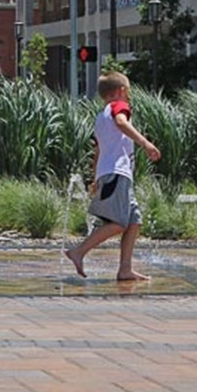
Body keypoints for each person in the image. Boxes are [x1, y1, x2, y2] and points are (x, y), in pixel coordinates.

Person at [64, 71, 161, 281]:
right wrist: (145, 143)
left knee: (134, 221)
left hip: (112, 174)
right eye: (128, 93)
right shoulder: (119, 107)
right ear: (122, 91)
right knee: (118, 222)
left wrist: (95, 178)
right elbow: (121, 121)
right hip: (117, 172)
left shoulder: (101, 117)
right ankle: (79, 251)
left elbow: (98, 151)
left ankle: (125, 269)